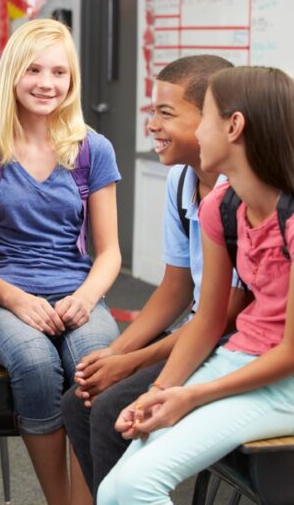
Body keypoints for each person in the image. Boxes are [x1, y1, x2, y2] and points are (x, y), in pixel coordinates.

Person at [97, 66, 294, 504]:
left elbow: (289, 353)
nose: (199, 132)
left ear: (234, 126)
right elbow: (206, 321)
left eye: (204, 117)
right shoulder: (220, 208)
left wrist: (193, 395)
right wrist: (159, 392)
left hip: (283, 381)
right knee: (115, 489)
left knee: (134, 486)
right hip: (237, 361)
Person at [60, 55, 243, 498]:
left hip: (232, 337)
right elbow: (176, 286)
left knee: (108, 411)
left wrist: (132, 361)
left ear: (214, 120)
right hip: (201, 326)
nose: (153, 126)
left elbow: (226, 316)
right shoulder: (182, 180)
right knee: (78, 400)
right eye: (152, 112)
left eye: (166, 113)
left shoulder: (239, 192)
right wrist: (114, 354)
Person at [0, 18, 121, 504]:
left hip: (77, 291)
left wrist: (87, 296)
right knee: (34, 363)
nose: (47, 84)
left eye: (59, 72)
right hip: (0, 297)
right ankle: (61, 500)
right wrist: (16, 299)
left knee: (94, 369)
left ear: (72, 81)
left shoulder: (93, 150)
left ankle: (88, 497)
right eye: (34, 70)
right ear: (11, 74)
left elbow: (110, 251)